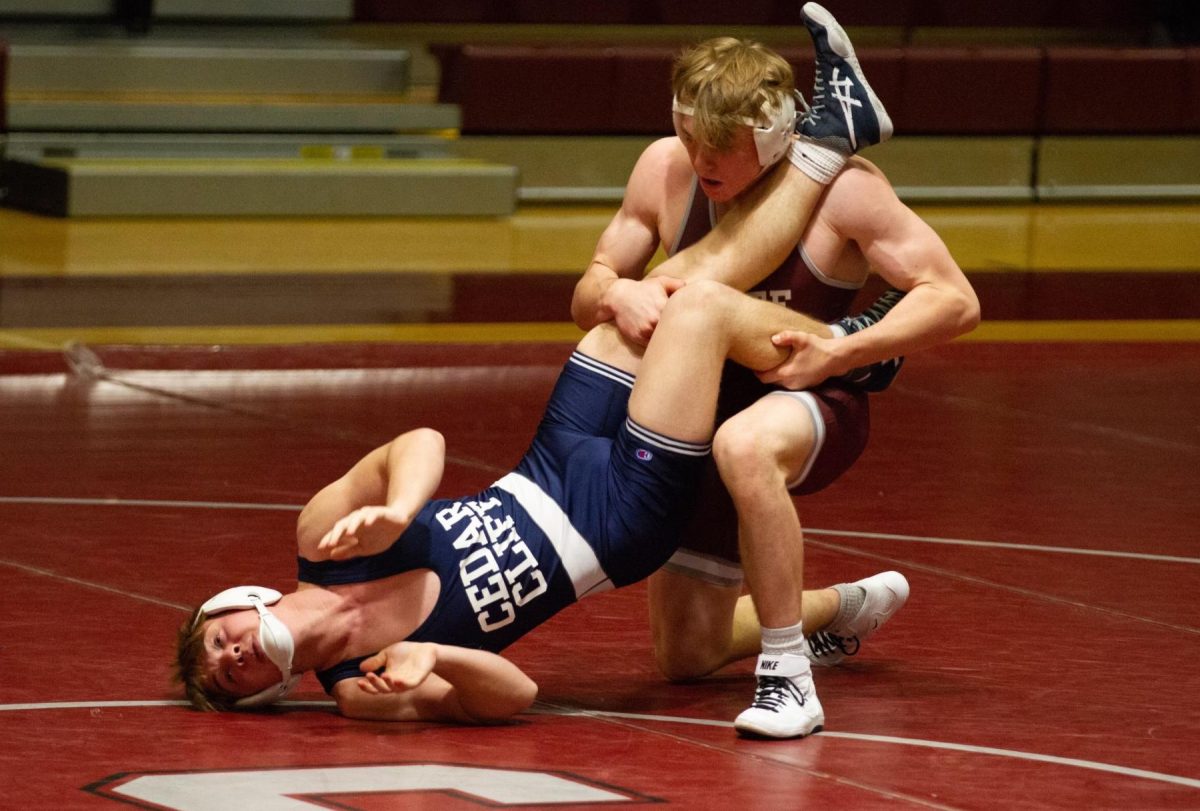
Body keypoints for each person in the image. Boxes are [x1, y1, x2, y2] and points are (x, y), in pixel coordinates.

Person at [175, 279, 904, 727]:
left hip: (551, 456)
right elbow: (516, 694)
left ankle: (832, 323)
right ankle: (857, 349)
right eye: (231, 675)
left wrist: (400, 510)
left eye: (219, 642)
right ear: (266, 693)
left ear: (232, 602)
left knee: (643, 304)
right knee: (696, 318)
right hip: (615, 519)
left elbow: (419, 439)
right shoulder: (360, 687)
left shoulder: (322, 539)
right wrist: (439, 655)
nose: (234, 653)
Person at [570, 4, 980, 738]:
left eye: (723, 146)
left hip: (813, 394)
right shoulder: (665, 170)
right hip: (707, 409)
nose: (703, 160)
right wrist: (615, 289)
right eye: (692, 135)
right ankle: (837, 608)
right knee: (685, 654)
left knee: (745, 444)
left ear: (776, 135)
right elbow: (589, 286)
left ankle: (789, 676)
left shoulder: (843, 189)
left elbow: (955, 299)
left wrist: (845, 349)